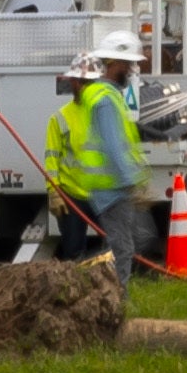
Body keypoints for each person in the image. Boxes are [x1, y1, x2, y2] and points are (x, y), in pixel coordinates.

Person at [44, 43, 150, 283]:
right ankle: (75, 291)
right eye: (79, 81)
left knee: (117, 245)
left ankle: (98, 287)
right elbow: (52, 157)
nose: (81, 86)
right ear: (72, 82)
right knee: (74, 251)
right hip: (72, 195)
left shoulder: (100, 107)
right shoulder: (60, 117)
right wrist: (54, 191)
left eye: (86, 81)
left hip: (96, 191)